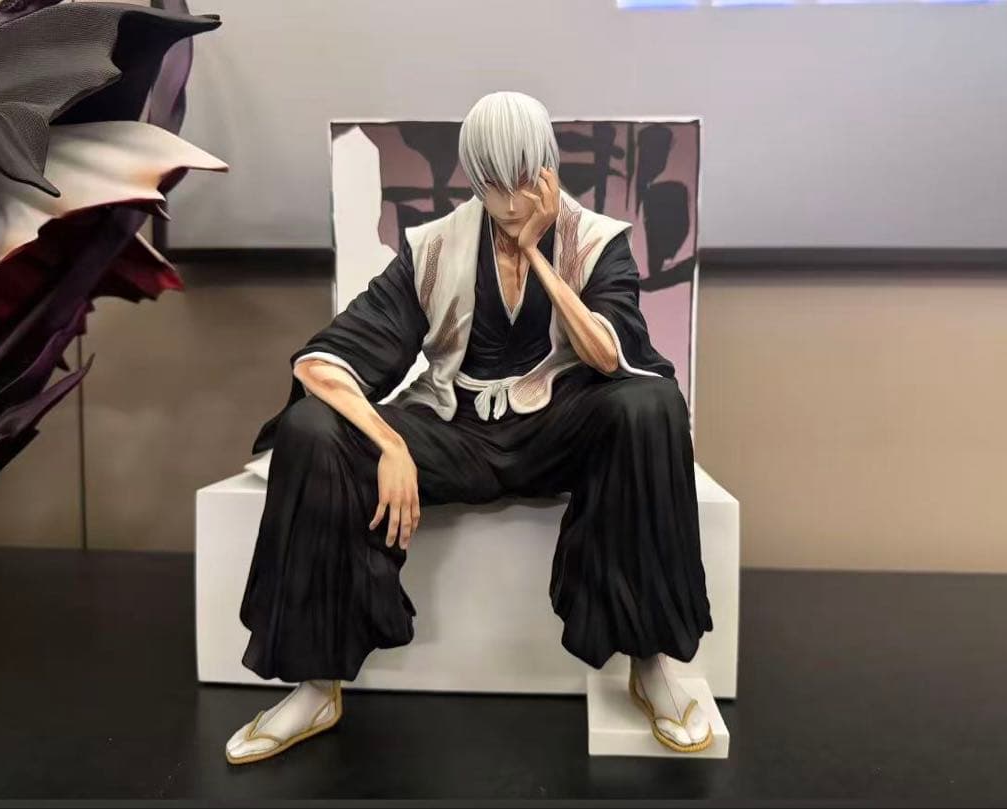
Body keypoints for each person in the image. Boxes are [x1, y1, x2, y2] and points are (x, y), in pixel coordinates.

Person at [225, 91, 713, 764]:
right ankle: (316, 683)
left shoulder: (596, 241)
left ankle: (650, 662)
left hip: (558, 427)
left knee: (650, 406)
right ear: (473, 178)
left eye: (521, 182)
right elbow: (325, 361)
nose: (509, 204)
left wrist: (538, 255)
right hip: (455, 426)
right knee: (312, 428)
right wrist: (391, 443)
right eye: (491, 185)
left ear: (546, 168)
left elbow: (610, 355)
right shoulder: (436, 245)